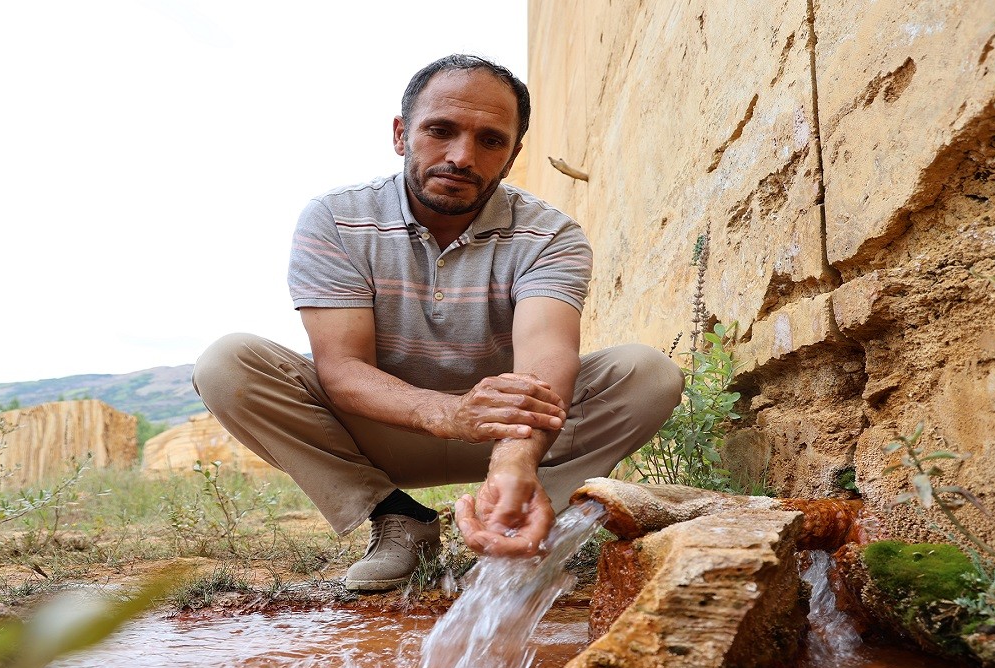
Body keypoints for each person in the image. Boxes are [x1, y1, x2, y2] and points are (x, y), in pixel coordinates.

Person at [193, 54, 682, 592]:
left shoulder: (551, 234)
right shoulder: (335, 219)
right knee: (228, 363)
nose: (461, 156)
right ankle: (399, 519)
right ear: (401, 134)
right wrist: (448, 412)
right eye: (440, 131)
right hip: (382, 430)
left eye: (490, 141)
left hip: (505, 434)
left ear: (512, 154)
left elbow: (547, 357)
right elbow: (341, 368)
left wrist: (514, 457)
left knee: (647, 373)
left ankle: (522, 522)